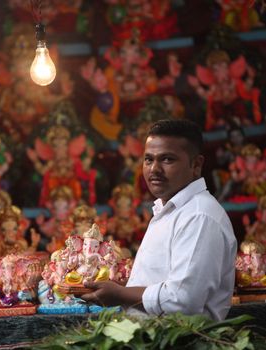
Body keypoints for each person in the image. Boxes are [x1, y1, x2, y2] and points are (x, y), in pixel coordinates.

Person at [82, 119, 237, 321]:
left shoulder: (199, 216)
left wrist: (119, 294)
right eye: (148, 159)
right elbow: (162, 284)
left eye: (167, 159)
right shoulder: (169, 210)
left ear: (196, 165)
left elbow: (182, 300)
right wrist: (120, 288)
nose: (154, 169)